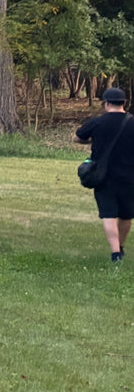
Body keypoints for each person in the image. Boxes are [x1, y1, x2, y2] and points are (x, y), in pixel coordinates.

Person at [75, 87, 134, 263]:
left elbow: (77, 137)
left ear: (106, 103)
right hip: (130, 176)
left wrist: (94, 140)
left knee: (108, 214)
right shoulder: (132, 122)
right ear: (124, 103)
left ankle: (115, 253)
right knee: (126, 215)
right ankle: (121, 248)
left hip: (104, 176)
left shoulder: (98, 123)